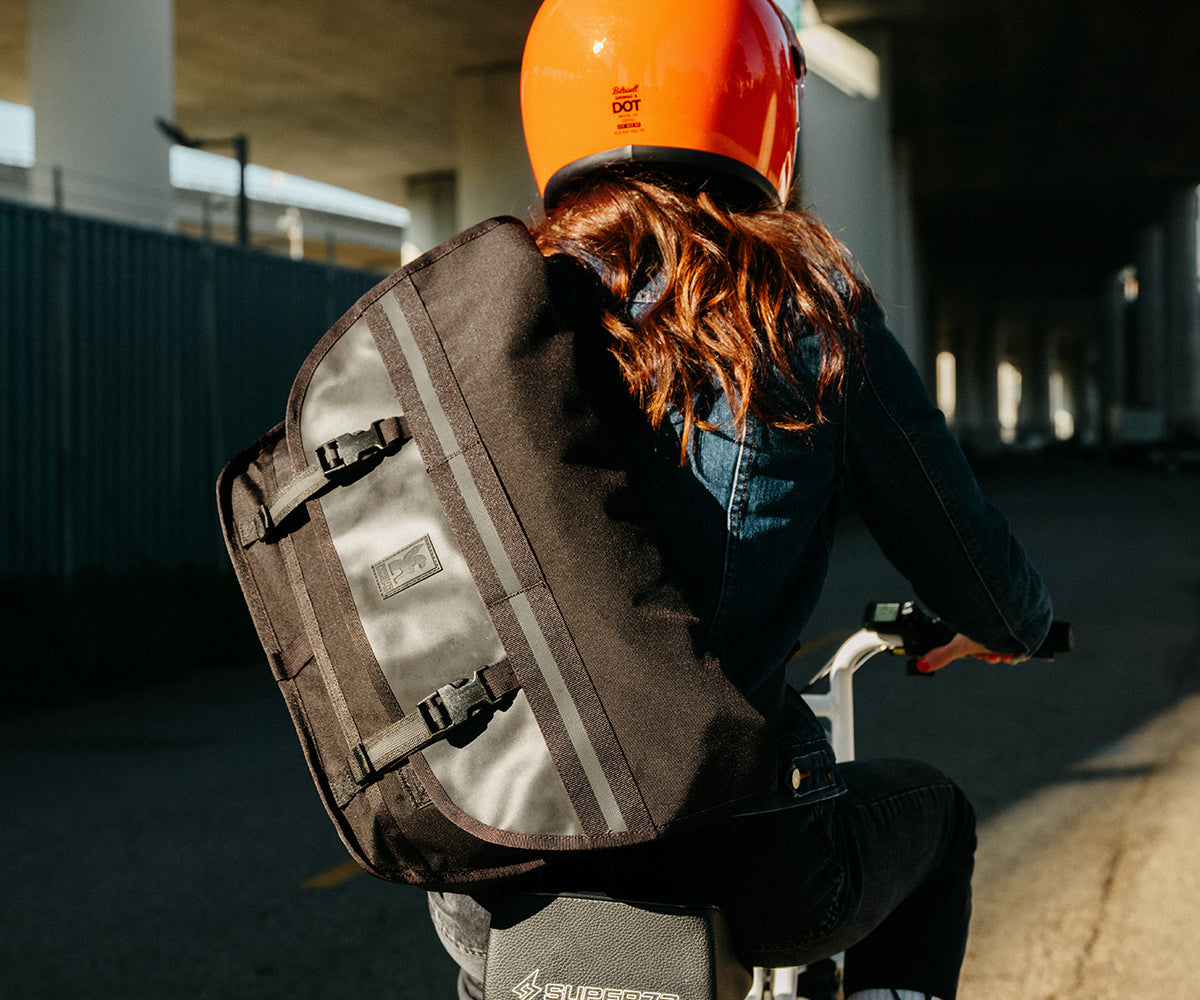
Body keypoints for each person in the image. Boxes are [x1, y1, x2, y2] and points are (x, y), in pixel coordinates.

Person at [429, 2, 1053, 999]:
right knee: (937, 824)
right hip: (740, 851)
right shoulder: (801, 302)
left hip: (500, 859)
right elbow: (963, 551)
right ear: (760, 99)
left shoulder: (479, 311)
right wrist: (1016, 624)